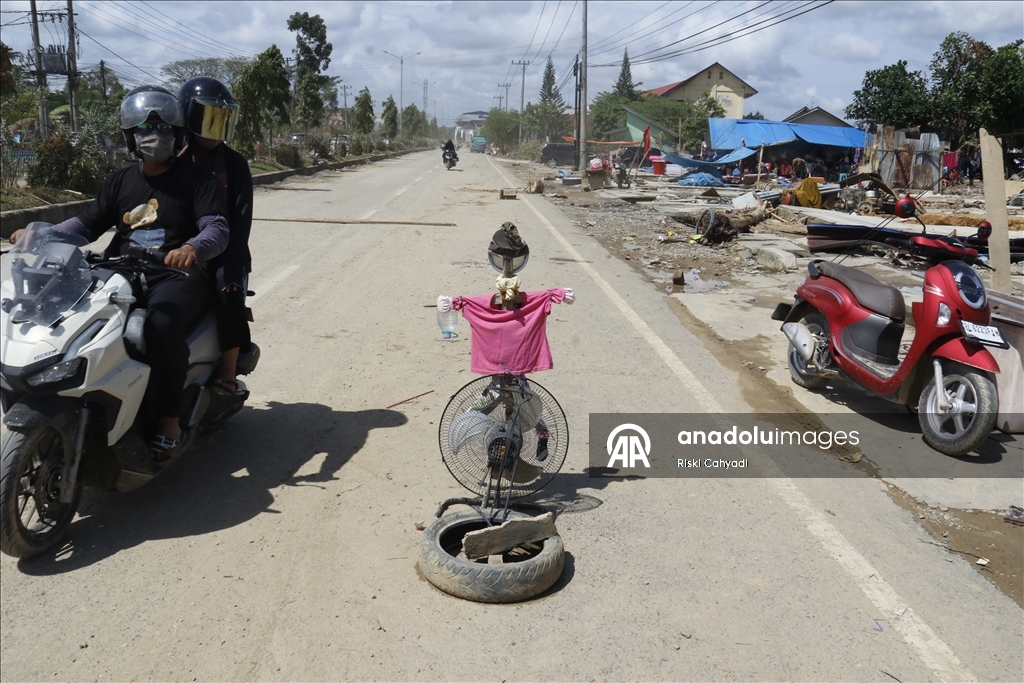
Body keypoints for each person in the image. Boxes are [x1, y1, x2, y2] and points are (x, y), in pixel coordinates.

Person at [9, 86, 228, 465]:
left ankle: (169, 422)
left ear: (177, 135)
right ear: (130, 135)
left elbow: (217, 227)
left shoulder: (198, 181)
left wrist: (192, 249)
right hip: (120, 272)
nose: (154, 135)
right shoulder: (119, 182)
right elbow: (85, 224)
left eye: (163, 128)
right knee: (67, 321)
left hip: (176, 276)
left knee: (159, 327)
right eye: (145, 128)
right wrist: (42, 234)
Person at [177, 76, 252, 397]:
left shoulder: (235, 165)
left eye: (221, 120)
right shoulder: (173, 160)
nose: (215, 129)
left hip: (225, 251)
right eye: (208, 119)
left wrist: (231, 268)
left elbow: (240, 223)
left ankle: (228, 369)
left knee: (228, 295)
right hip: (177, 250)